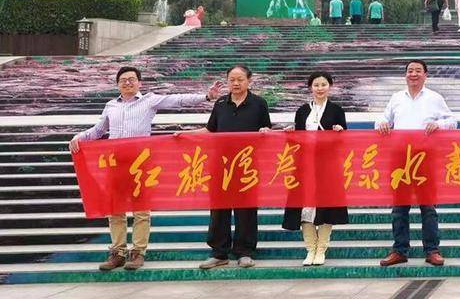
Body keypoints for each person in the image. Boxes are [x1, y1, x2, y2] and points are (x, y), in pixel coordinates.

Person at [70, 67, 222, 272]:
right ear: (118, 84)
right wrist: (79, 137)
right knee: (115, 209)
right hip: (115, 163)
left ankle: (138, 252)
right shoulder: (111, 105)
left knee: (141, 210)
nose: (127, 82)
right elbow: (99, 130)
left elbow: (176, 100)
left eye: (132, 79)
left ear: (139, 83)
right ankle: (117, 252)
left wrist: (206, 96)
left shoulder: (149, 100)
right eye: (123, 80)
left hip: (140, 163)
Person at [185, 65, 273, 270]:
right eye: (232, 79)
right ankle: (219, 252)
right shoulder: (220, 104)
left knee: (246, 210)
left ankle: (245, 252)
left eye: (240, 79)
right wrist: (186, 135)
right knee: (219, 209)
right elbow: (210, 130)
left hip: (247, 165)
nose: (235, 83)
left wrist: (265, 131)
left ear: (249, 80)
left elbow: (266, 129)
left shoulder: (259, 103)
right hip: (221, 165)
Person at [377, 60, 457, 267]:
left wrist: (438, 124)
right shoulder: (396, 98)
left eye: (418, 71)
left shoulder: (435, 98)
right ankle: (399, 250)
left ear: (425, 75)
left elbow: (453, 122)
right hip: (400, 158)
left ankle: (432, 251)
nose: (413, 74)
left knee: (428, 207)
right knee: (399, 208)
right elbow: (381, 120)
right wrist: (382, 124)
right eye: (410, 71)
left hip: (425, 158)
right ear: (405, 75)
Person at [282, 72, 348, 266]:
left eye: (323, 84)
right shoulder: (302, 110)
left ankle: (321, 249)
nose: (320, 88)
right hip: (305, 165)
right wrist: (290, 132)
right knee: (305, 207)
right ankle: (310, 249)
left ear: (330, 87)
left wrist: (339, 131)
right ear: (310, 87)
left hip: (328, 166)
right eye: (316, 85)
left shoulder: (336, 110)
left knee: (327, 206)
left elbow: (344, 139)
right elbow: (297, 138)